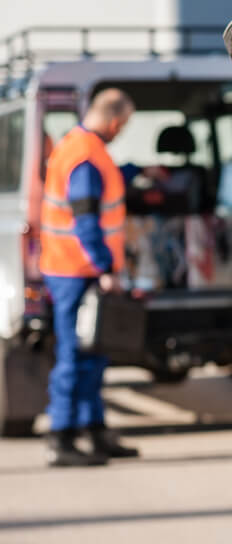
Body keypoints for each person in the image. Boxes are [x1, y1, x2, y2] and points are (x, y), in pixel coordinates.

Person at [40, 88, 141, 466]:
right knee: (73, 355)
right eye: (125, 124)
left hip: (74, 269)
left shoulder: (79, 145)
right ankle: (61, 439)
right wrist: (106, 269)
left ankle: (95, 432)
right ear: (115, 121)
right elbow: (85, 223)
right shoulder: (85, 157)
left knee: (94, 353)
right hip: (75, 272)